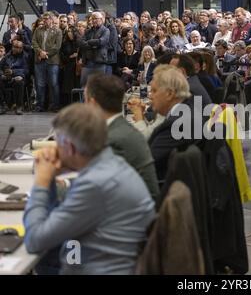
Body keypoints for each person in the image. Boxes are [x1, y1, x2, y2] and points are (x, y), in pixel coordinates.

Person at [23, 103, 155, 274]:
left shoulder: (96, 184)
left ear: (69, 147)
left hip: (95, 268)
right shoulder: (113, 165)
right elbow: (58, 218)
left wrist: (42, 179)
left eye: (58, 143)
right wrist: (51, 180)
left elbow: (34, 241)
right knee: (48, 256)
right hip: (107, 259)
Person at [84, 74, 160, 202]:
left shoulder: (113, 139)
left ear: (92, 103)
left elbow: (93, 189)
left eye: (85, 101)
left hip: (134, 214)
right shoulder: (120, 128)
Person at [147, 64, 203, 180]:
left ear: (170, 94)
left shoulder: (176, 125)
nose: (150, 96)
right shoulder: (186, 110)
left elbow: (147, 164)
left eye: (154, 91)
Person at [32, 11, 63, 112]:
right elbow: (34, 42)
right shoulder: (37, 30)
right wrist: (40, 52)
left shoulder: (58, 31)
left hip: (52, 61)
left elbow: (57, 47)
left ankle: (56, 105)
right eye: (43, 19)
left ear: (51, 20)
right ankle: (40, 105)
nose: (44, 21)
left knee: (53, 83)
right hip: (39, 60)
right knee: (40, 84)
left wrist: (46, 54)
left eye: (46, 19)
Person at [79, 11, 110, 87]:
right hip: (88, 62)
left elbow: (102, 42)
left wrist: (89, 42)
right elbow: (82, 43)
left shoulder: (106, 30)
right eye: (92, 19)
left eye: (96, 18)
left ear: (101, 19)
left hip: (99, 62)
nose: (94, 20)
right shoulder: (88, 31)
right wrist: (93, 44)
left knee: (99, 86)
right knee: (84, 85)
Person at [0, 39, 28, 115]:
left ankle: (19, 106)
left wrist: (14, 72)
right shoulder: (7, 56)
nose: (16, 49)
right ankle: (2, 105)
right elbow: (0, 67)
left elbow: (26, 70)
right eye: (14, 47)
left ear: (21, 48)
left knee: (19, 82)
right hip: (6, 77)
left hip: (17, 77)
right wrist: (2, 74)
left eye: (18, 47)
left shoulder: (25, 56)